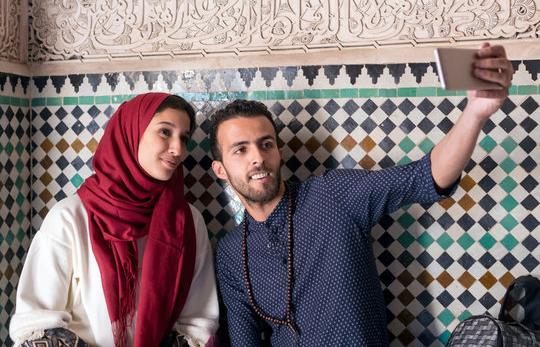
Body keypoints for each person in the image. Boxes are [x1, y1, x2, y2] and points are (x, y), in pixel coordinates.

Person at [209, 43, 514, 346]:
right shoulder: (231, 251)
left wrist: (475, 114)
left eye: (266, 144)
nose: (258, 158)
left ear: (278, 151)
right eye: (240, 150)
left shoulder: (331, 194)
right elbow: (244, 339)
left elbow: (425, 176)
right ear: (220, 169)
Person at [10, 93, 219, 347]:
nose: (178, 149)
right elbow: (35, 324)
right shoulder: (70, 217)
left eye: (183, 138)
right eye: (165, 132)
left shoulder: (186, 221)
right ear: (130, 133)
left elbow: (198, 322)